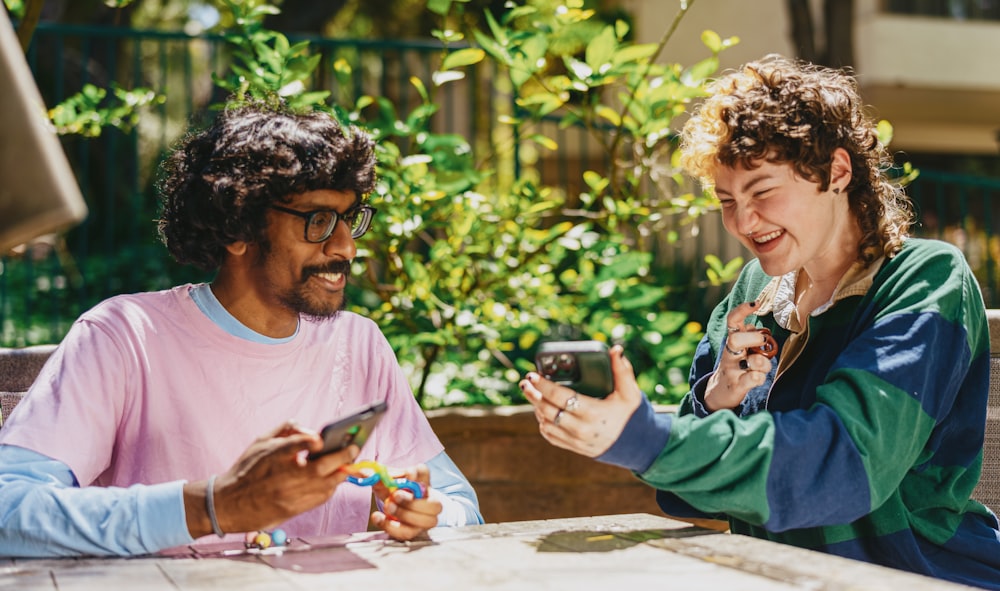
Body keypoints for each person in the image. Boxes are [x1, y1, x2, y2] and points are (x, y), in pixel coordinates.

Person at [520, 54, 1000, 588]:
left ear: (838, 172)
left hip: (919, 577)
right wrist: (719, 395)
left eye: (763, 191)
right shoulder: (755, 291)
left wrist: (645, 439)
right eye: (727, 200)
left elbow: (844, 468)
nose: (744, 222)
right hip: (778, 575)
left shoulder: (925, 277)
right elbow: (685, 494)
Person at [0, 99, 483, 557]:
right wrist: (213, 506)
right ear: (237, 229)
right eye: (317, 220)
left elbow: (462, 505)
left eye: (348, 219)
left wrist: (426, 514)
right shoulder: (125, 336)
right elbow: (10, 512)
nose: (345, 248)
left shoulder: (358, 343)